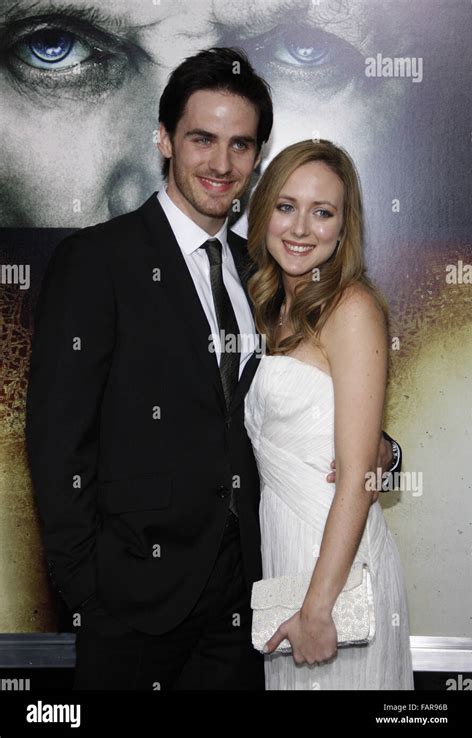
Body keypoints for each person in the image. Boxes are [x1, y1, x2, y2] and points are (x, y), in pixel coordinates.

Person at [25, 48, 401, 690]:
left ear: (257, 156)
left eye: (241, 144)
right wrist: (89, 588)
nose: (221, 164)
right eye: (202, 139)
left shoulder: (263, 272)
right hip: (133, 603)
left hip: (251, 596)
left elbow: (290, 408)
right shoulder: (97, 261)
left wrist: (377, 451)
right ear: (165, 139)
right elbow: (57, 443)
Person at [244, 139, 414, 690]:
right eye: (286, 206)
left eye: (323, 212)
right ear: (263, 209)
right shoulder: (267, 306)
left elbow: (359, 477)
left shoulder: (353, 308)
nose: (300, 228)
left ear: (343, 229)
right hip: (283, 553)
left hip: (336, 567)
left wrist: (319, 607)